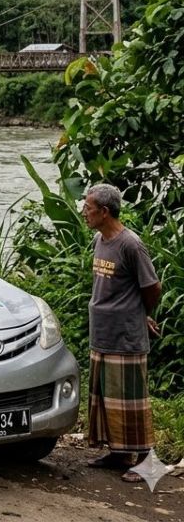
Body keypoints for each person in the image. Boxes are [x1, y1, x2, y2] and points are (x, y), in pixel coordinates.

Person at [81, 183, 162, 483]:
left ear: (104, 211)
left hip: (125, 338)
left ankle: (146, 461)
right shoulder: (100, 241)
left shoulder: (131, 244)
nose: (84, 213)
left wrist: (142, 314)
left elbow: (152, 286)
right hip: (102, 335)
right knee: (106, 398)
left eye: (88, 208)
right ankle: (118, 453)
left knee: (131, 402)